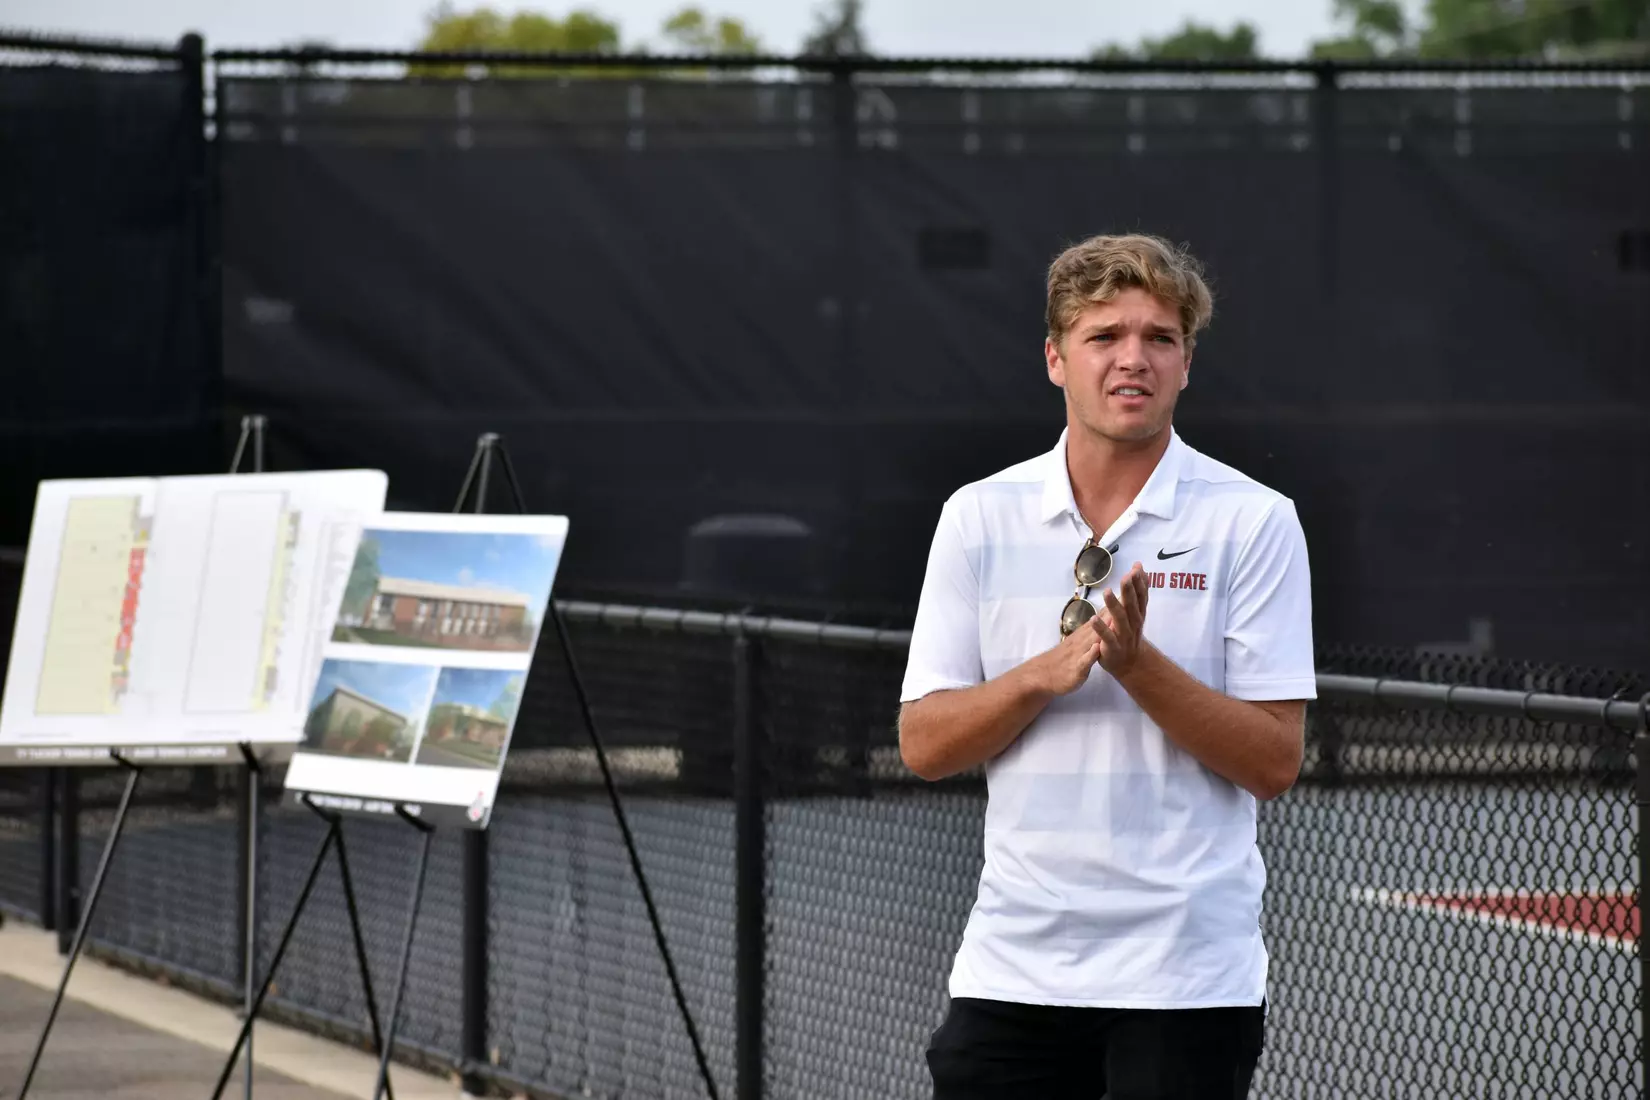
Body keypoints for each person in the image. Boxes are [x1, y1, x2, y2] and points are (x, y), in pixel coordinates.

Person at [898, 232, 1317, 1099]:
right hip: (1013, 970)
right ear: (1055, 358)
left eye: (1160, 338)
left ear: (1187, 363)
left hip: (1186, 978)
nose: (1134, 359)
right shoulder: (977, 516)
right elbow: (925, 744)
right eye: (1105, 336)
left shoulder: (1256, 520)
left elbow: (1274, 761)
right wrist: (1037, 677)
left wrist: (1137, 668)